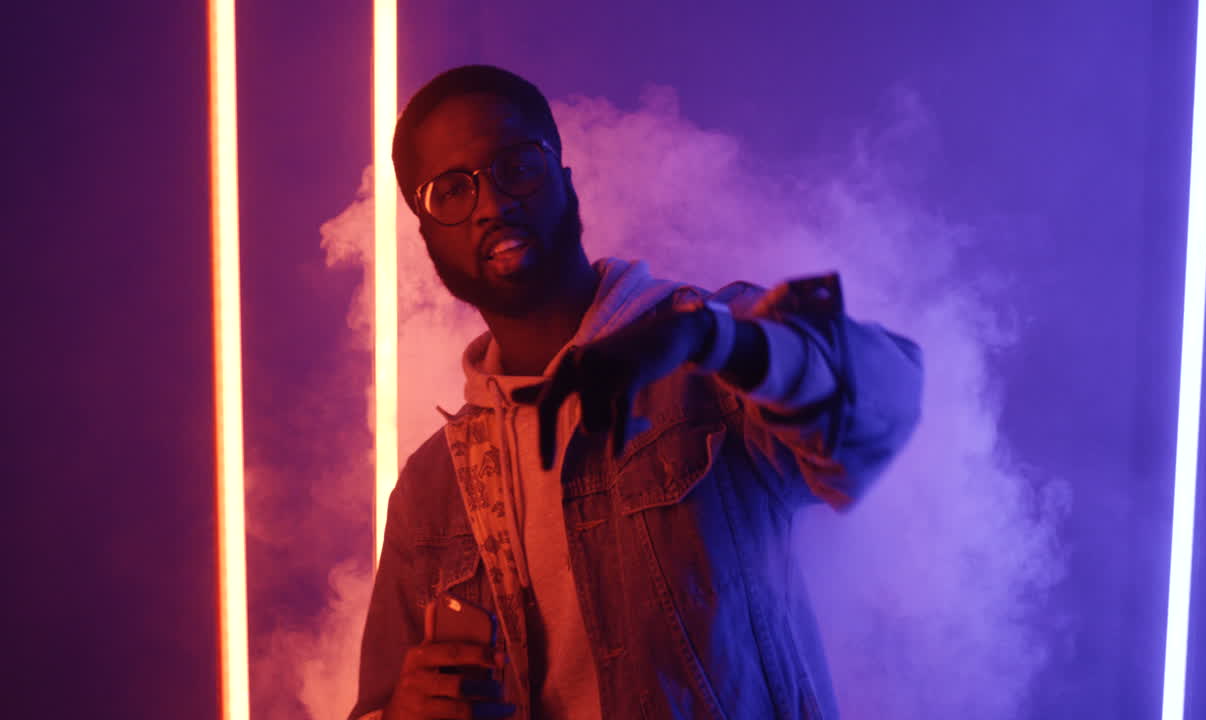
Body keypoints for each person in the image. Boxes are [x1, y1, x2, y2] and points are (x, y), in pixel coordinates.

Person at [347, 64, 923, 720]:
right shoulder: (431, 492)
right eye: (451, 189)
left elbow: (888, 394)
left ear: (565, 182)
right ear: (425, 232)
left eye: (518, 165)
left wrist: (711, 339)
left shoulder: (707, 356)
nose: (493, 202)